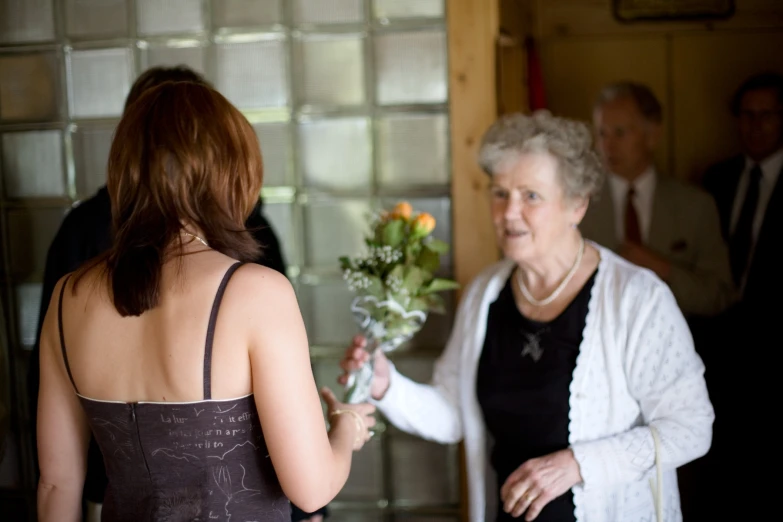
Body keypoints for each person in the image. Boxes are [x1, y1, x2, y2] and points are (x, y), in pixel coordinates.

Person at [339, 111, 714, 521]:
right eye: (499, 194)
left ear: (577, 205)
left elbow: (690, 429)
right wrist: (386, 384)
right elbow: (453, 415)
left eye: (530, 196)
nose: (509, 212)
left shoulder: (637, 298)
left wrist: (576, 464)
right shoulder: (486, 293)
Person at [35, 81, 374, 521]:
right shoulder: (254, 291)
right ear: (230, 169)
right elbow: (311, 491)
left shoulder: (68, 297)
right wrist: (347, 426)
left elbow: (56, 485)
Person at [580, 81, 734, 319]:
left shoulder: (696, 205)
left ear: (652, 135)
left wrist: (663, 269)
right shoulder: (576, 206)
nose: (608, 145)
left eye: (620, 133)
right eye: (602, 133)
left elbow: (719, 296)